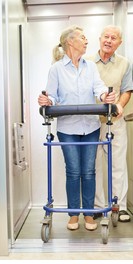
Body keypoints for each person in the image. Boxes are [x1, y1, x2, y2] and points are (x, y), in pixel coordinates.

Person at [38, 25, 115, 231]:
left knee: (89, 171)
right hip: (67, 128)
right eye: (83, 37)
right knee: (73, 172)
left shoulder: (90, 67)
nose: (87, 41)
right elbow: (53, 96)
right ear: (70, 42)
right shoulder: (56, 69)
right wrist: (47, 100)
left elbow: (98, 88)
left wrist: (103, 96)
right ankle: (73, 215)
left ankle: (89, 215)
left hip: (90, 126)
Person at [85, 25, 133, 222]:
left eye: (114, 38)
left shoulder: (125, 63)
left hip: (115, 121)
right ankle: (98, 207)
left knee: (118, 165)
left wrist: (119, 106)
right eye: (106, 36)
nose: (109, 40)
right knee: (93, 165)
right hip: (91, 122)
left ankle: (119, 206)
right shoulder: (86, 62)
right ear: (100, 38)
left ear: (119, 43)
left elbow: (128, 90)